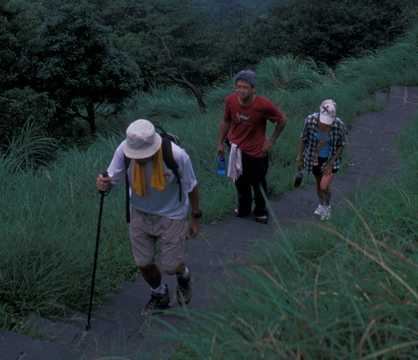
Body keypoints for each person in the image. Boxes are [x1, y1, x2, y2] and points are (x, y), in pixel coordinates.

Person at [95, 119, 202, 316]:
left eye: (144, 155)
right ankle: (159, 294)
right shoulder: (124, 151)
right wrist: (103, 184)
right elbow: (112, 178)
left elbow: (191, 187)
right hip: (139, 212)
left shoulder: (177, 156)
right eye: (136, 155)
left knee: (171, 266)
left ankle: (183, 276)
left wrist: (195, 217)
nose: (140, 158)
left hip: (172, 214)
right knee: (143, 263)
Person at [217, 69, 287, 224]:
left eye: (245, 87)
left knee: (258, 183)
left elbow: (282, 119)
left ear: (253, 88)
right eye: (239, 87)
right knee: (239, 181)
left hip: (256, 151)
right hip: (235, 148)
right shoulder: (230, 100)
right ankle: (244, 208)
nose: (241, 90)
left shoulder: (263, 105)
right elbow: (226, 121)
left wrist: (272, 140)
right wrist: (220, 142)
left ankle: (261, 211)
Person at [296, 99, 347, 220]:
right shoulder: (310, 120)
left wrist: (331, 162)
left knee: (324, 186)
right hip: (314, 158)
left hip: (330, 159)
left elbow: (342, 143)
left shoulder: (339, 125)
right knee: (319, 183)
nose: (325, 125)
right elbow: (303, 139)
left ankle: (327, 206)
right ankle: (321, 204)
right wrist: (299, 158)